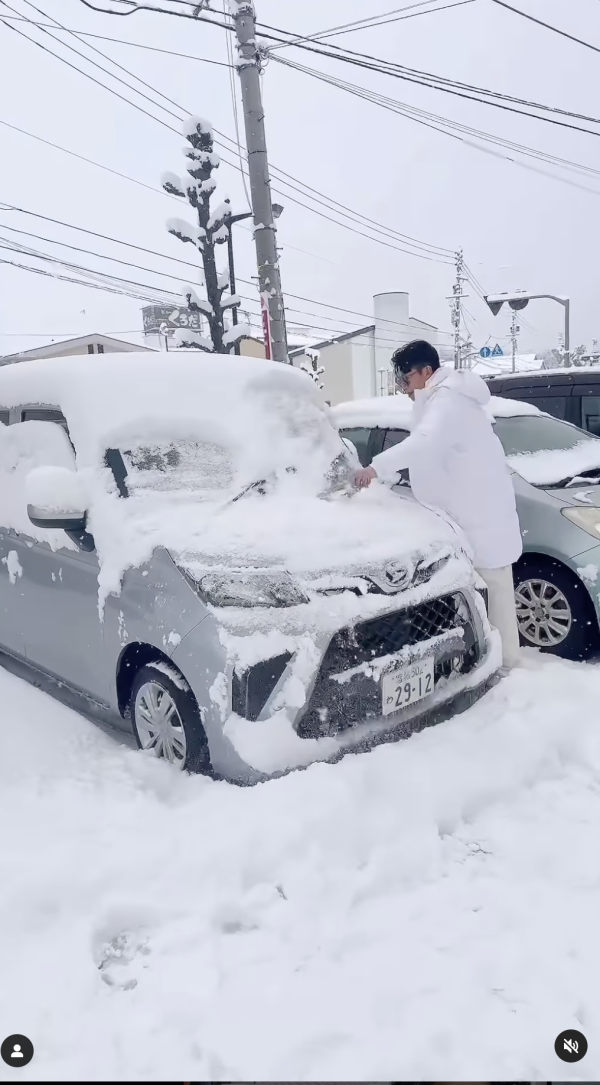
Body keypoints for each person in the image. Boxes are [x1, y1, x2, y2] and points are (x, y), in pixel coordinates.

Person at [354, 340, 523, 669]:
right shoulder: (436, 398)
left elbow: (423, 442)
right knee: (482, 599)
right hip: (464, 517)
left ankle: (508, 669)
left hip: (480, 519)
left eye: (405, 378)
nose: (402, 386)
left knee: (495, 597)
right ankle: (494, 663)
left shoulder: (448, 400)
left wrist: (374, 469)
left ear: (426, 372)